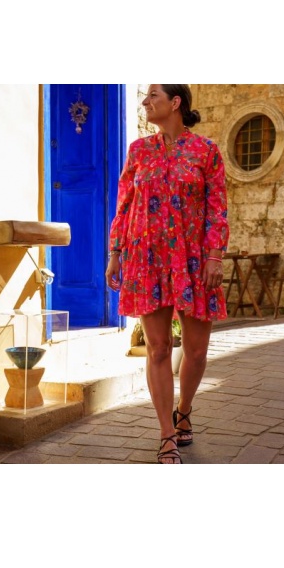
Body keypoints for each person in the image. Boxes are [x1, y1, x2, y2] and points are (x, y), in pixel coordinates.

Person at [105, 84, 229, 464]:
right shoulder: (138, 151)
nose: (145, 101)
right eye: (145, 96)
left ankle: (184, 410)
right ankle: (166, 435)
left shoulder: (206, 151)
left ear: (175, 103)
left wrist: (215, 256)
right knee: (158, 348)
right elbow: (124, 205)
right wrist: (115, 252)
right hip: (148, 259)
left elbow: (217, 207)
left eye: (153, 95)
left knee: (196, 350)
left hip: (194, 260)